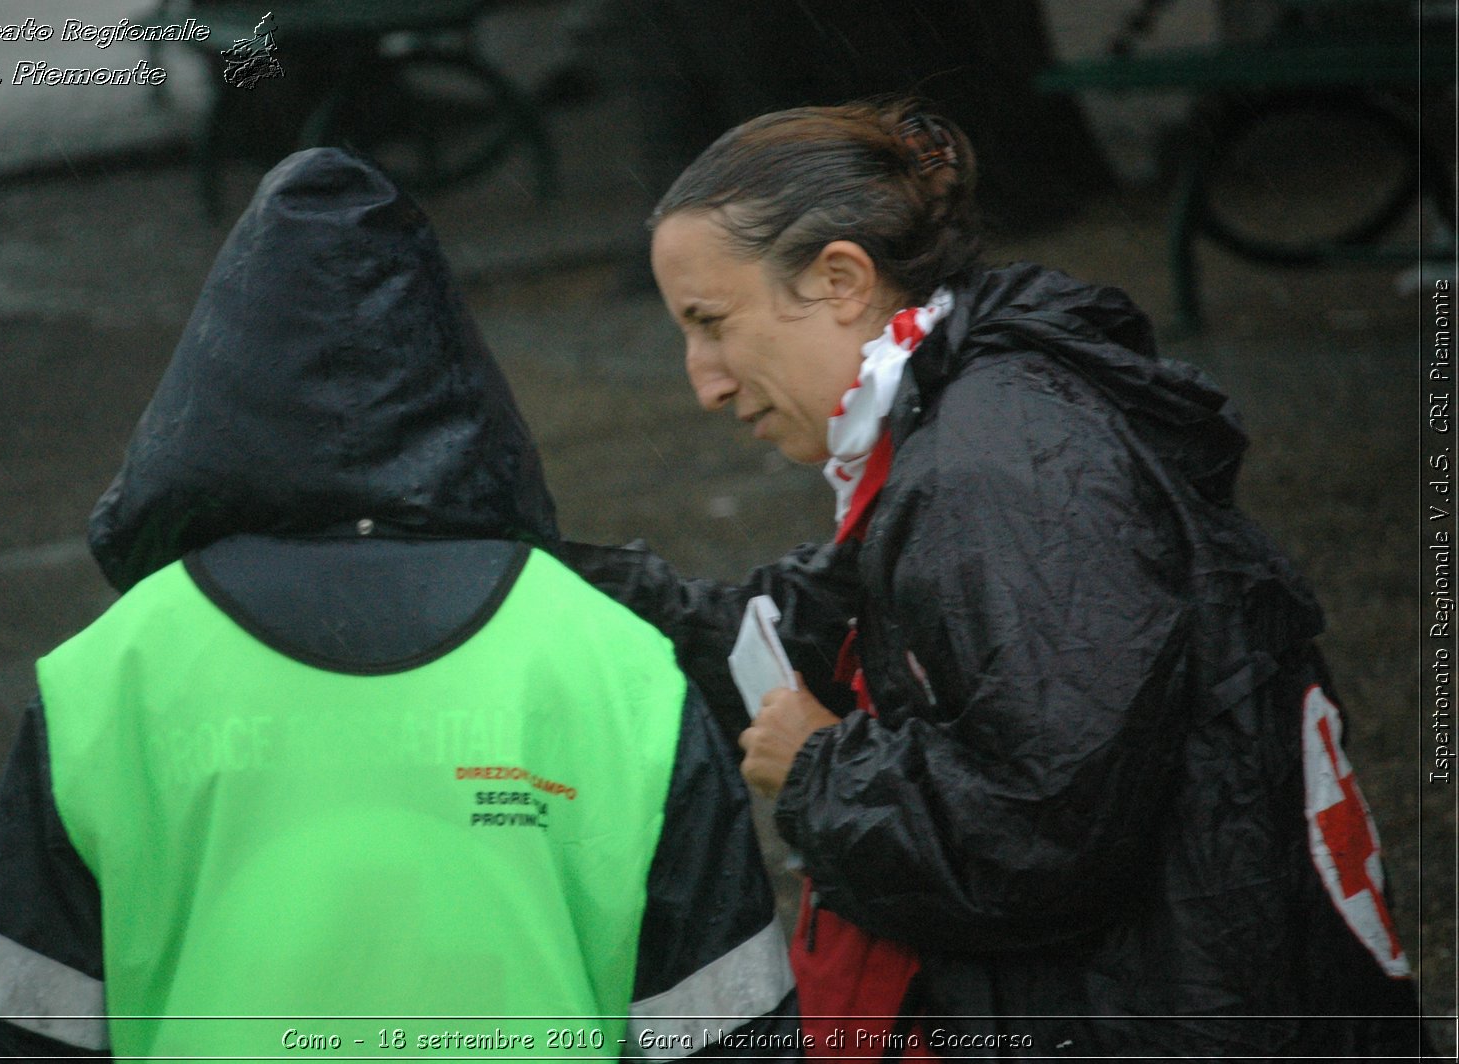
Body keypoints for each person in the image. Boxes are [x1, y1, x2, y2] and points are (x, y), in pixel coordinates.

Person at [558, 100, 1429, 1058]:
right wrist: (524, 568)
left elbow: (1045, 837)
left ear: (841, 279)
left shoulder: (1000, 468)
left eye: (712, 324)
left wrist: (819, 771)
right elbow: (808, 629)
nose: (705, 381)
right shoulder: (962, 414)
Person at [0, 148, 797, 1060]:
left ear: (213, 385)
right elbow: (724, 1027)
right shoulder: (611, 663)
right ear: (457, 382)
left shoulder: (111, 676)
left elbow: (20, 1029)